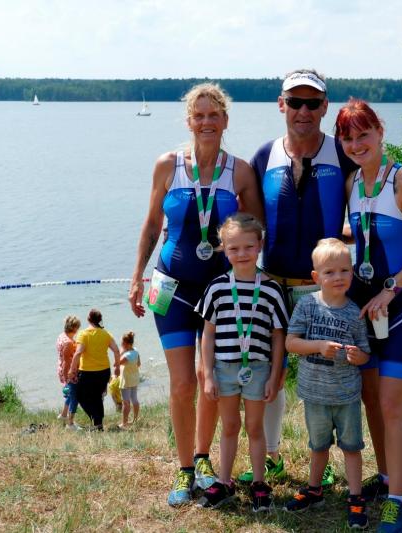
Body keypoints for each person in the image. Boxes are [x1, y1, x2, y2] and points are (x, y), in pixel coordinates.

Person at [246, 68, 402, 486]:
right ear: (281, 104)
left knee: (367, 391)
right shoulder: (272, 156)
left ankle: (388, 480)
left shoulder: (345, 155)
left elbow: (393, 174)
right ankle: (277, 460)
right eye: (295, 101)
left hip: (348, 292)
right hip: (300, 286)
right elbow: (252, 214)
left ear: (323, 107)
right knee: (276, 377)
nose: (303, 110)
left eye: (312, 103)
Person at [128, 83, 263, 505]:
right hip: (168, 286)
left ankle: (203, 459)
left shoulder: (240, 172)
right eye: (199, 115)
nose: (206, 122)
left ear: (225, 120)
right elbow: (152, 225)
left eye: (213, 115)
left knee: (211, 379)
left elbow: (256, 232)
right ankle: (185, 468)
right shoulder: (167, 165)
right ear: (189, 121)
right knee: (183, 383)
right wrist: (136, 277)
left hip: (219, 293)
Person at [337, 98, 402, 533]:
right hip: (364, 307)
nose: (356, 144)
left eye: (364, 134)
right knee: (370, 400)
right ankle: (384, 478)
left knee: (390, 403)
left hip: (398, 307)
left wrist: (392, 288)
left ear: (380, 132)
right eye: (348, 138)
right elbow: (362, 232)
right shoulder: (350, 182)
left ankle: (399, 502)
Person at [195, 213, 287, 512]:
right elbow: (208, 335)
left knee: (255, 427)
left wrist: (275, 374)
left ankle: (259, 482)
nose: (242, 253)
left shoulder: (272, 289)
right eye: (234, 248)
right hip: (224, 369)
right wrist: (208, 375)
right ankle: (224, 482)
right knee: (230, 426)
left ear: (259, 245)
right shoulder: (217, 287)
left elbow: (278, 336)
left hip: (258, 369)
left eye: (248, 247)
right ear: (224, 249)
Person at [283, 238, 372, 529]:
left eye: (344, 270)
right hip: (314, 394)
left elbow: (364, 353)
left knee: (352, 447)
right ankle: (314, 489)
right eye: (330, 272)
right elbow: (291, 343)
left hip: (346, 395)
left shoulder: (355, 312)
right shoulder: (307, 305)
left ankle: (356, 497)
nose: (338, 277)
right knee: (318, 446)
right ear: (316, 276)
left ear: (352, 273)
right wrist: (319, 346)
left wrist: (359, 356)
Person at [68, 309, 121, 431]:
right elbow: (116, 350)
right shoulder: (105, 333)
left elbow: (78, 353)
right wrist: (117, 367)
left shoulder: (83, 334)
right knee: (97, 397)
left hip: (88, 372)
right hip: (104, 371)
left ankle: (96, 420)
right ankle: (98, 424)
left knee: (80, 395)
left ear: (88, 319)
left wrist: (72, 370)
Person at [56, 315, 81, 430]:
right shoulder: (69, 343)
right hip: (69, 372)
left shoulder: (61, 336)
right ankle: (70, 424)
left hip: (62, 367)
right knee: (75, 396)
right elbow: (67, 362)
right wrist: (67, 378)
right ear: (75, 328)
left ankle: (63, 415)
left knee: (71, 393)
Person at [117, 331, 141, 428]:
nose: (121, 345)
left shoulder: (126, 355)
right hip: (134, 378)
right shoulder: (136, 351)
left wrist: (121, 352)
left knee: (126, 402)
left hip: (126, 380)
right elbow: (139, 364)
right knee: (134, 399)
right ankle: (135, 419)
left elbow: (117, 363)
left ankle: (124, 423)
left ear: (125, 344)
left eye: (122, 343)